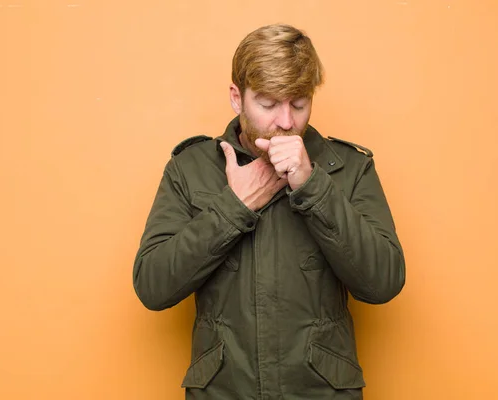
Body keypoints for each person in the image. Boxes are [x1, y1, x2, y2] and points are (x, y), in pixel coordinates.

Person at [133, 23, 405, 400]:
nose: (286, 122)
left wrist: (313, 187)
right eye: (267, 104)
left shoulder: (348, 168)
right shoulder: (189, 168)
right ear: (236, 97)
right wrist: (234, 206)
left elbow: (384, 282)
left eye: (298, 103)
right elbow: (152, 286)